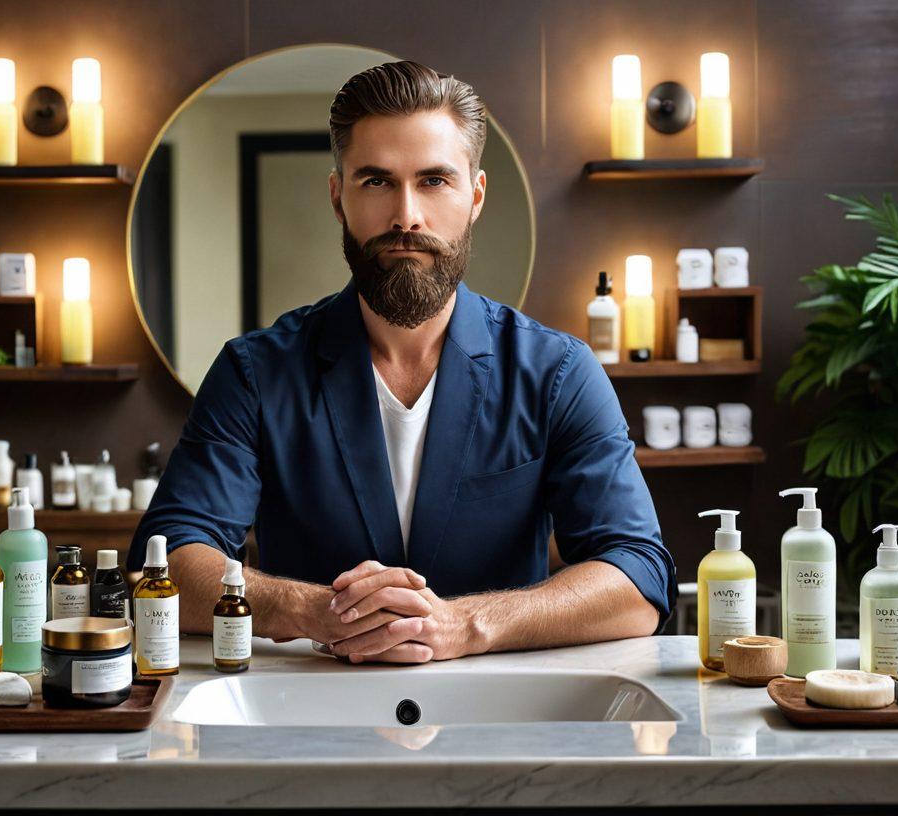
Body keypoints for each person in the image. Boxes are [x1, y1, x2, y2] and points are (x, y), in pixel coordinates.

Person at [128, 60, 676, 664]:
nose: (406, 216)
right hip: (303, 709)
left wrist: (466, 624)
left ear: (476, 196)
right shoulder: (255, 372)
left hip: (504, 717)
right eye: (376, 181)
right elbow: (167, 558)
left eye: (435, 181)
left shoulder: (559, 373)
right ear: (339, 197)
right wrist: (314, 612)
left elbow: (637, 576)